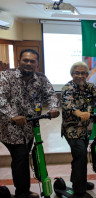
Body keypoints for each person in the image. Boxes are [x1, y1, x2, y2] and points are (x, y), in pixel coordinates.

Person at [0, 49, 60, 198]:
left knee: (24, 156)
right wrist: (13, 115)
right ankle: (22, 193)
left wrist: (53, 108)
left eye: (32, 61)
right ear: (19, 61)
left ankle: (23, 188)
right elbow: (1, 98)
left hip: (31, 127)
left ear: (37, 64)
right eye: (25, 60)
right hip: (10, 128)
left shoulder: (41, 78)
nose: (28, 63)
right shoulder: (6, 76)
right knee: (20, 156)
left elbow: (50, 94)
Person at [61, 61, 96, 198]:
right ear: (72, 74)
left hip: (86, 129)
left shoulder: (90, 86)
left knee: (81, 157)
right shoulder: (68, 87)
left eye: (83, 73)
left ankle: (80, 182)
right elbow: (67, 104)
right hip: (72, 129)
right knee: (80, 155)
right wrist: (79, 113)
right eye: (77, 73)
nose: (80, 76)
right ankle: (79, 192)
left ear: (87, 74)